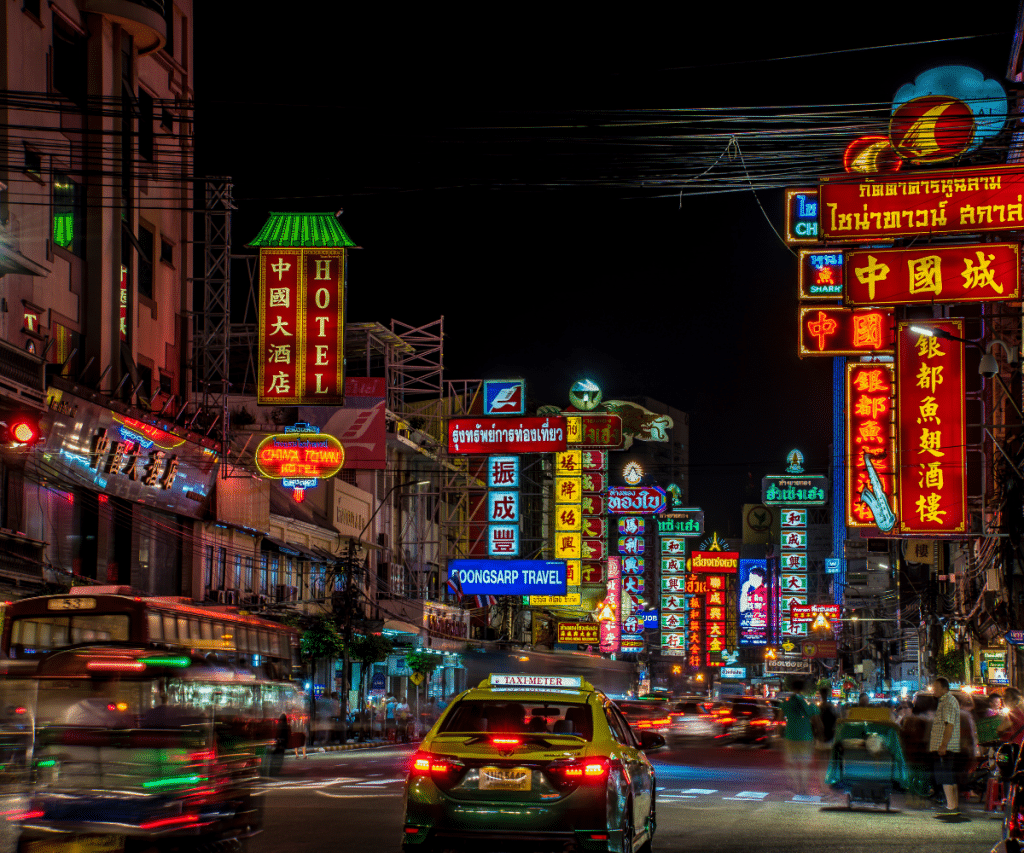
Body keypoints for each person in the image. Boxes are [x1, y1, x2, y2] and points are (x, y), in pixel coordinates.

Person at [781, 678, 820, 796]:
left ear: (791, 688)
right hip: (806, 736)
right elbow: (815, 717)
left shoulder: (786, 703)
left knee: (791, 763)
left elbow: (779, 718)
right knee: (804, 764)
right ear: (802, 689)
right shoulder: (806, 703)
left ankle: (797, 787)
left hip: (791, 735)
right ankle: (804, 787)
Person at [929, 677, 961, 817]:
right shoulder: (946, 701)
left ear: (944, 688)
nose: (933, 690)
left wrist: (943, 745)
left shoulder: (948, 702)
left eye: (935, 687)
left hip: (945, 746)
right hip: (947, 746)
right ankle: (953, 805)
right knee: (949, 775)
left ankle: (951, 806)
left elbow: (949, 725)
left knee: (945, 775)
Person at [62, 678, 132, 727]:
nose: (118, 684)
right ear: (112, 681)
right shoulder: (119, 711)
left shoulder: (73, 710)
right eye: (117, 680)